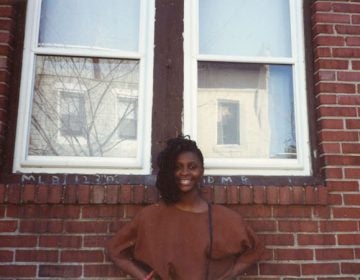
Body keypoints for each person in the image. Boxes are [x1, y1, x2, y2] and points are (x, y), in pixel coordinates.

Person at [107, 136, 264, 280]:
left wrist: (228, 276)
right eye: (178, 167)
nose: (185, 173)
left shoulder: (223, 217)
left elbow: (255, 249)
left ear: (201, 170)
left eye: (192, 166)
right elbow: (116, 250)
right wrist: (144, 277)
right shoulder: (151, 216)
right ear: (170, 171)